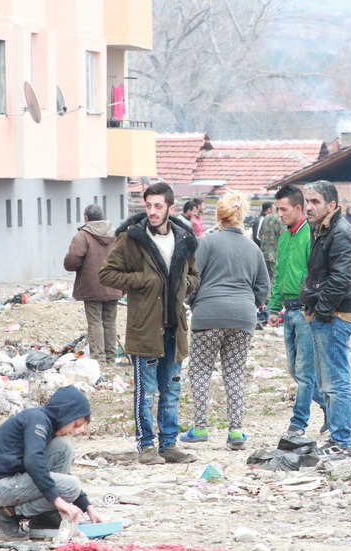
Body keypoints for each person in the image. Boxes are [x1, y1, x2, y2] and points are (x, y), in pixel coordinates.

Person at [99, 182, 199, 465]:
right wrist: (144, 280)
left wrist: (184, 284)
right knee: (146, 392)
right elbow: (107, 274)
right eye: (148, 206)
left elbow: (194, 275)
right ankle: (146, 446)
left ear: (170, 208)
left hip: (174, 327)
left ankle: (169, 445)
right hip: (145, 327)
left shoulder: (184, 238)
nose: (152, 212)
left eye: (158, 206)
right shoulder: (133, 239)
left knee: (171, 390)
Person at [182, 192, 270, 450]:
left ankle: (199, 427)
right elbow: (263, 285)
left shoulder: (207, 243)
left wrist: (194, 302)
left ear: (219, 216)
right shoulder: (253, 248)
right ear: (241, 217)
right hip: (243, 317)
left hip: (208, 314)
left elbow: (193, 278)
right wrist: (248, 305)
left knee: (200, 370)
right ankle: (236, 432)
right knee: (234, 373)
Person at [0, 386, 104, 540]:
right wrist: (57, 500)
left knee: (63, 445)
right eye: (75, 424)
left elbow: (53, 475)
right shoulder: (37, 419)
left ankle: (44, 517)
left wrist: (88, 507)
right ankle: (6, 514)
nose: (74, 431)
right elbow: (33, 461)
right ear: (66, 413)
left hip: (16, 482)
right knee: (71, 486)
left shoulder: (48, 426)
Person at [300, 180, 351, 458]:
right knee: (327, 381)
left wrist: (322, 312)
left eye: (315, 202)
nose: (309, 206)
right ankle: (338, 438)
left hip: (335, 315)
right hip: (326, 314)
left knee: (336, 382)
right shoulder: (323, 230)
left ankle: (341, 442)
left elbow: (341, 279)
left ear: (331, 206)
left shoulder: (339, 232)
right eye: (307, 201)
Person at [267, 184, 327, 437]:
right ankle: (331, 407)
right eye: (277, 209)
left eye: (283, 209)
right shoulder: (284, 236)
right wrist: (273, 307)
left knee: (304, 372)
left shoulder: (311, 235)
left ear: (298, 208)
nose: (279, 214)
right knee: (295, 370)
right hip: (288, 312)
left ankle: (298, 423)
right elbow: (279, 273)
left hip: (305, 311)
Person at [62, 204, 124, 367]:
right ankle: (111, 360)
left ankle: (99, 361)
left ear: (86, 218)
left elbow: (72, 261)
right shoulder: (116, 234)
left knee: (95, 322)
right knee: (110, 322)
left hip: (92, 287)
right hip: (114, 285)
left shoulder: (83, 236)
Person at [258, 201, 286, 286]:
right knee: (275, 280)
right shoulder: (281, 219)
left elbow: (260, 234)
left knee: (264, 279)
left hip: (264, 253)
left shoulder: (266, 217)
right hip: (275, 255)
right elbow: (284, 237)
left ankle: (265, 297)